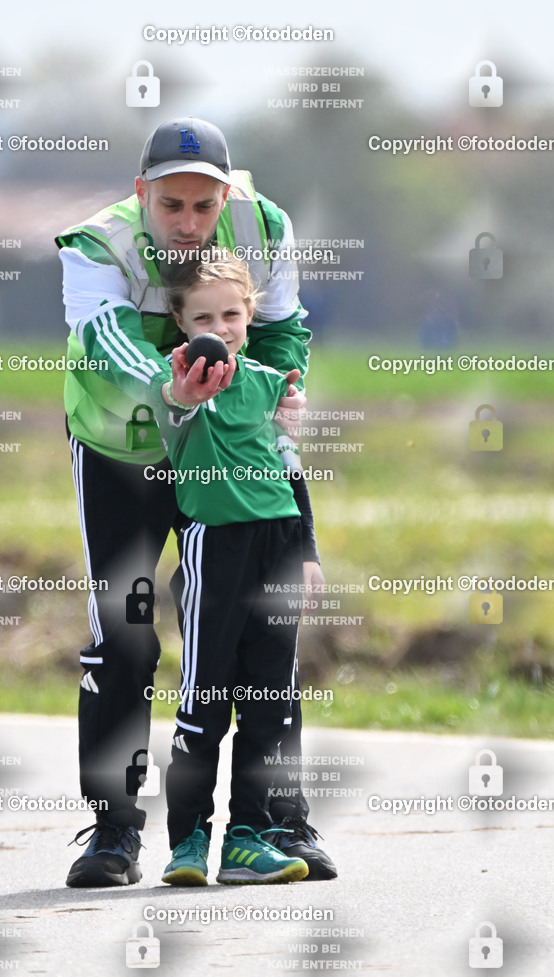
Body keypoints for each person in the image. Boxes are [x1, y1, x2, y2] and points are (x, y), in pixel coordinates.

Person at [56, 116, 337, 887]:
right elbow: (105, 338)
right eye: (170, 205)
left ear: (223, 196)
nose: (186, 222)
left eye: (202, 207)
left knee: (261, 633)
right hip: (127, 447)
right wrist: (171, 387)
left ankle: (279, 819)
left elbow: (282, 329)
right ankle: (114, 831)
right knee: (125, 633)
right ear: (142, 192)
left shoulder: (265, 224)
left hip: (229, 453)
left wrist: (282, 397)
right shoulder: (94, 244)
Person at [157, 250, 320, 885]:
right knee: (206, 697)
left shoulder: (271, 384)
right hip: (215, 548)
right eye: (203, 315)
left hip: (277, 542)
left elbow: (291, 468)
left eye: (231, 313)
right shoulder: (178, 377)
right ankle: (189, 837)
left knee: (269, 700)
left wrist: (306, 552)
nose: (219, 326)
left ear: (250, 315)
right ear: (180, 320)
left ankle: (249, 835)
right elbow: (171, 412)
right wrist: (184, 392)